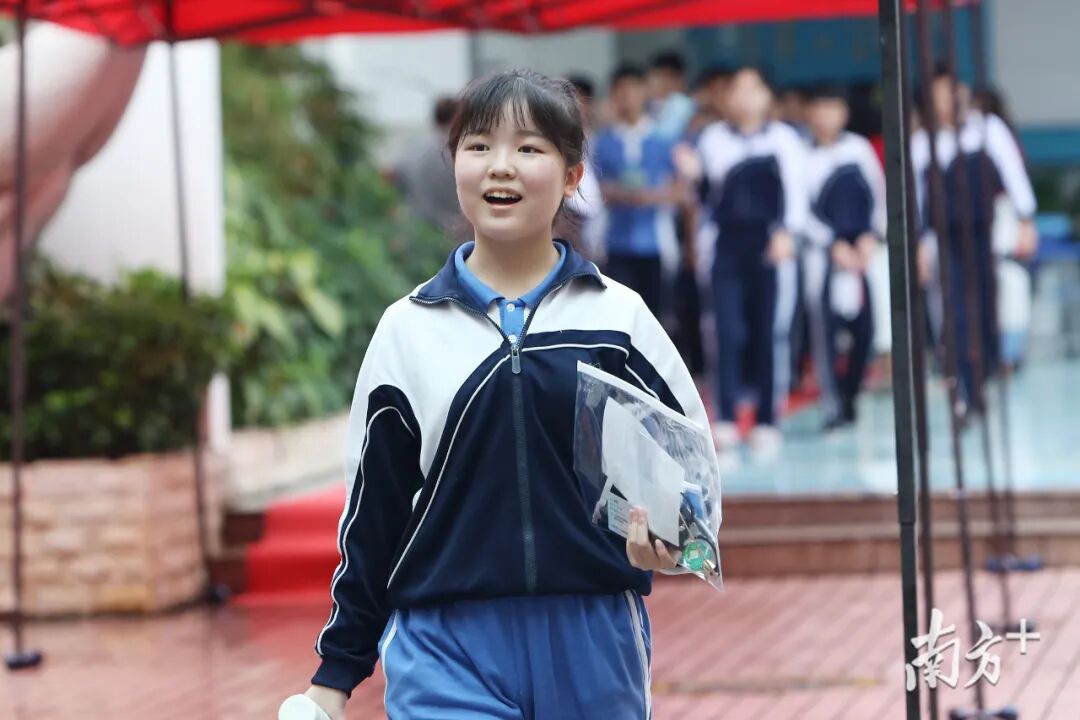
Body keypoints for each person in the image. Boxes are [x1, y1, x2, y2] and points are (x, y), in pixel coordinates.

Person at [295, 69, 714, 720]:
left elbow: (692, 481)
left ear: (572, 176)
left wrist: (674, 542)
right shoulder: (408, 330)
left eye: (528, 147)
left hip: (593, 640)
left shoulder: (619, 318)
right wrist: (336, 673)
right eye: (479, 145)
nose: (501, 165)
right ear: (456, 164)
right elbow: (374, 515)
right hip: (444, 645)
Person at [678, 65, 807, 456]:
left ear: (767, 96)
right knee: (726, 332)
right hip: (726, 245)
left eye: (754, 89)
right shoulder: (712, 139)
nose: (745, 97)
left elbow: (796, 193)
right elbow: (704, 198)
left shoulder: (784, 139)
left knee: (769, 331)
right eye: (737, 89)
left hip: (769, 243)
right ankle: (727, 416)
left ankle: (768, 418)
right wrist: (693, 176)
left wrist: (787, 233)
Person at [911, 66, 1037, 411]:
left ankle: (982, 376)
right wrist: (918, 244)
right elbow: (916, 199)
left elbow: (1013, 173)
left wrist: (1026, 219)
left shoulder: (987, 129)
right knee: (951, 312)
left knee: (984, 306)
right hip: (942, 239)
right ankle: (963, 386)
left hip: (983, 235)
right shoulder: (921, 143)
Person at [801, 85, 886, 429]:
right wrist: (831, 243)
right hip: (824, 256)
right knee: (826, 334)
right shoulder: (802, 156)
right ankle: (833, 404)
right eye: (819, 108)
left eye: (833, 108)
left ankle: (852, 392)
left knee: (866, 329)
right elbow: (799, 209)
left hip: (862, 253)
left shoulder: (858, 149)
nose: (826, 116)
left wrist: (870, 235)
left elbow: (878, 193)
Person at [593, 64, 683, 318]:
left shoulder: (664, 139)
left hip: (656, 241)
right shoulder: (604, 141)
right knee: (619, 314)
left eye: (633, 90)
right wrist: (620, 194)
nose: (628, 97)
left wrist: (653, 196)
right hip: (615, 240)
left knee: (655, 315)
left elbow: (680, 188)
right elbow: (595, 187)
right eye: (621, 91)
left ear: (645, 92)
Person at [388, 95, 467, 241]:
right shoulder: (463, 150)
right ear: (458, 118)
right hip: (457, 236)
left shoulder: (413, 148)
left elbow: (389, 175)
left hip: (419, 235)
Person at [646, 50, 697, 142]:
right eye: (658, 76)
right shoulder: (643, 106)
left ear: (681, 80)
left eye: (669, 77)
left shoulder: (685, 105)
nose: (664, 83)